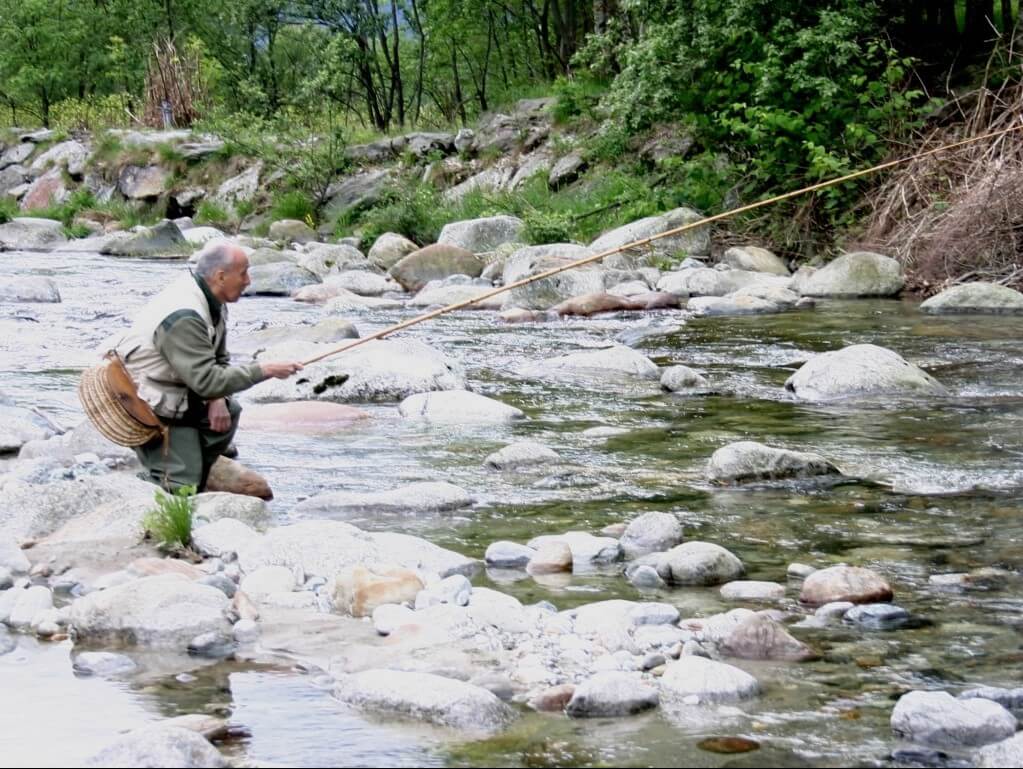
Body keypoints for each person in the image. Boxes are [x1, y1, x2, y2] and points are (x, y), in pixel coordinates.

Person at [114, 244, 303, 492]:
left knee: (228, 409)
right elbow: (206, 381)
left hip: (178, 388)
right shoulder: (185, 316)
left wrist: (217, 399)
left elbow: (218, 359)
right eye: (244, 273)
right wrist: (265, 370)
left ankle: (190, 474)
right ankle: (160, 482)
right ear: (221, 276)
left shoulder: (212, 299)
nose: (248, 281)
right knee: (181, 485)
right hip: (147, 403)